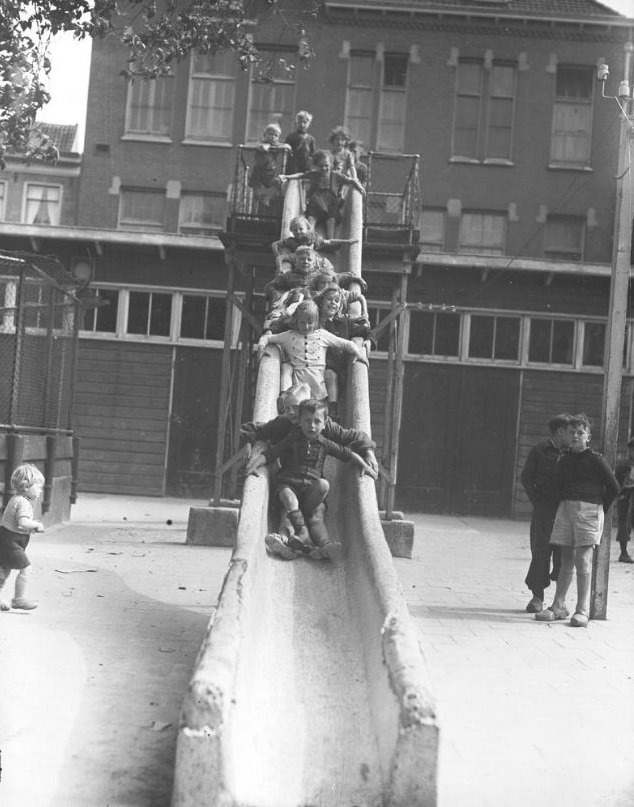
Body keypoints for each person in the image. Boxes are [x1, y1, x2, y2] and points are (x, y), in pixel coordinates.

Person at [247, 398, 375, 560]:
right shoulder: (291, 438)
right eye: (307, 421)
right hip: (289, 487)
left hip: (310, 494)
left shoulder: (325, 442)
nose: (312, 426)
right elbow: (271, 453)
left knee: (318, 511)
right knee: (287, 509)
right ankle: (287, 542)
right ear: (299, 422)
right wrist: (254, 464)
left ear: (324, 424)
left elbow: (347, 454)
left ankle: (324, 544)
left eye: (317, 422)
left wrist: (365, 463)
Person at [535, 414, 620, 628]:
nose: (575, 436)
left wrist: (599, 508)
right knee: (566, 561)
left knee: (583, 559)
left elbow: (614, 487)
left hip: (589, 512)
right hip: (566, 510)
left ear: (588, 437)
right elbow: (557, 487)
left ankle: (582, 610)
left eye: (580, 433)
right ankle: (558, 606)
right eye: (571, 432)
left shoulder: (596, 460)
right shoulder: (563, 460)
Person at [257, 300, 368, 402]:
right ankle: (284, 399)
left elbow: (345, 343)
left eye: (310, 322)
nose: (306, 326)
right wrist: (261, 347)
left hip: (318, 384)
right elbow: (267, 338)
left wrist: (359, 354)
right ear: (296, 321)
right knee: (289, 373)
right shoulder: (288, 336)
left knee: (317, 404)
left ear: (316, 321)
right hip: (298, 383)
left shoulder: (322, 335)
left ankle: (332, 409)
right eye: (302, 322)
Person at [520, 413, 573, 613]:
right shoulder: (539, 450)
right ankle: (537, 597)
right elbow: (526, 478)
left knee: (563, 555)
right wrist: (538, 502)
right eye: (570, 432)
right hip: (544, 511)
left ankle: (560, 601)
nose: (573, 436)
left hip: (566, 512)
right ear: (560, 432)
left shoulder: (573, 453)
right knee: (540, 553)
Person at [282, 150, 365, 239]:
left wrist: (360, 187)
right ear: (316, 166)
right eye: (321, 166)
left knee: (331, 221)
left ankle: (331, 241)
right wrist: (287, 177)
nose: (324, 168)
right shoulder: (314, 174)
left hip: (330, 204)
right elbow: (300, 175)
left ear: (331, 165)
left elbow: (350, 180)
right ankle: (307, 240)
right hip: (316, 203)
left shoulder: (336, 175)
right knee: (311, 219)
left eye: (326, 165)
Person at [0, 463, 45, 611]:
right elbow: (23, 522)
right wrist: (36, 525)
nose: (40, 490)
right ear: (26, 486)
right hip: (11, 542)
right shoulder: (23, 502)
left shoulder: (16, 499)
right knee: (26, 568)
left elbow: (17, 524)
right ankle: (18, 599)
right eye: (38, 487)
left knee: (3, 571)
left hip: (6, 539)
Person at [248, 123, 291, 216]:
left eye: (276, 135)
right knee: (256, 194)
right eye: (270, 134)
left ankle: (267, 198)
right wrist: (270, 146)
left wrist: (281, 146)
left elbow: (287, 146)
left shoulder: (276, 145)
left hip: (269, 173)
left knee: (278, 182)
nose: (273, 137)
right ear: (265, 134)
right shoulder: (261, 143)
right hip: (258, 173)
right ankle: (253, 214)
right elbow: (263, 147)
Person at [614, 437, 634, 563]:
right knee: (624, 523)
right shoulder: (624, 465)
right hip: (626, 495)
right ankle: (623, 552)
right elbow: (617, 482)